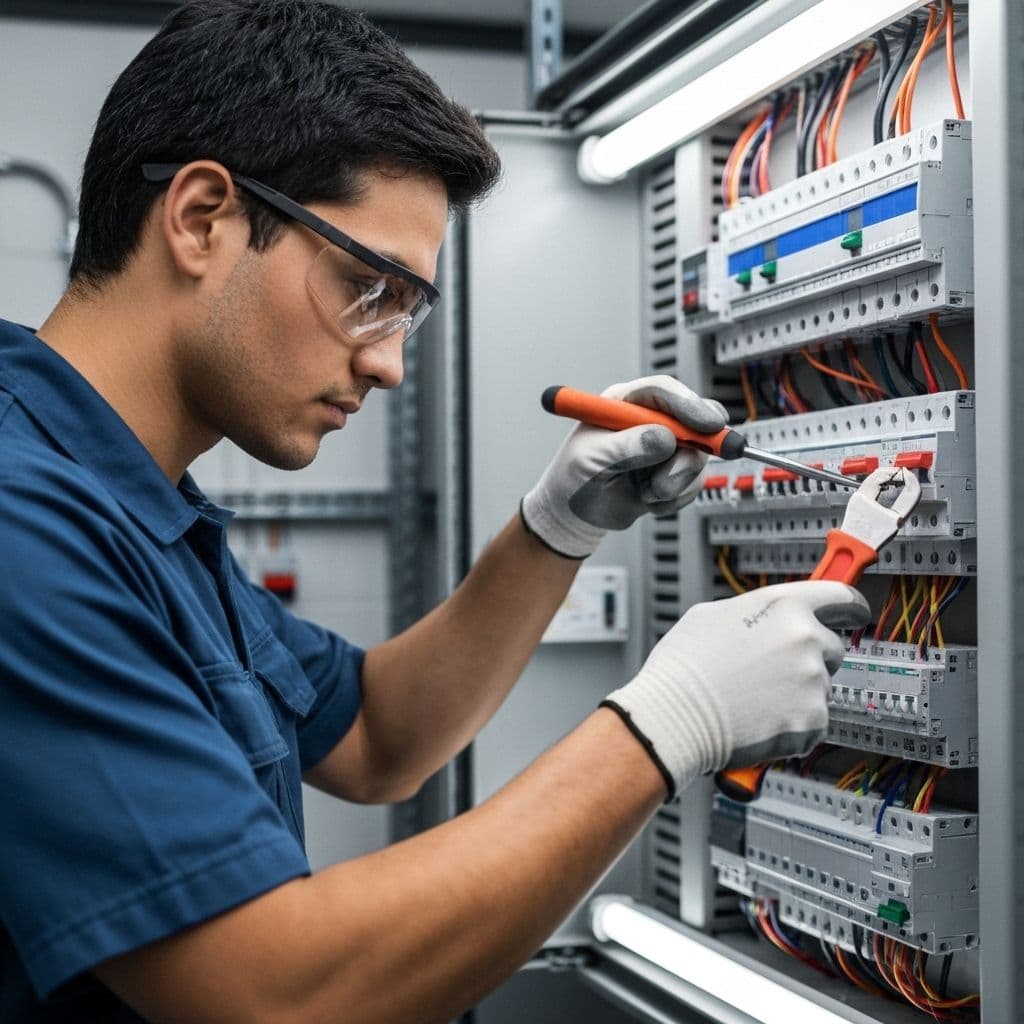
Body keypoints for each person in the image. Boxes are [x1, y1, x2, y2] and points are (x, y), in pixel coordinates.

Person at [0, 2, 868, 1021]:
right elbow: (271, 993)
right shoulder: (25, 522)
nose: (389, 362)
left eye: (407, 312)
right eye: (369, 288)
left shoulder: (134, 507)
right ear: (200, 218)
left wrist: (555, 529)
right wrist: (670, 722)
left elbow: (374, 733)